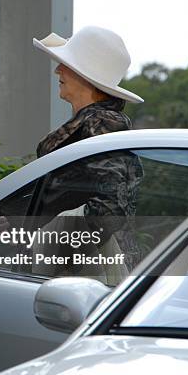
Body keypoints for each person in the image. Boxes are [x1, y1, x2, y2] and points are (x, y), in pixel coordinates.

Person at [30, 26, 145, 278]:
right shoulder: (99, 121)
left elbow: (108, 211)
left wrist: (53, 237)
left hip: (86, 277)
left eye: (66, 65)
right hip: (82, 269)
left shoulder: (102, 123)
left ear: (86, 77)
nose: (57, 70)